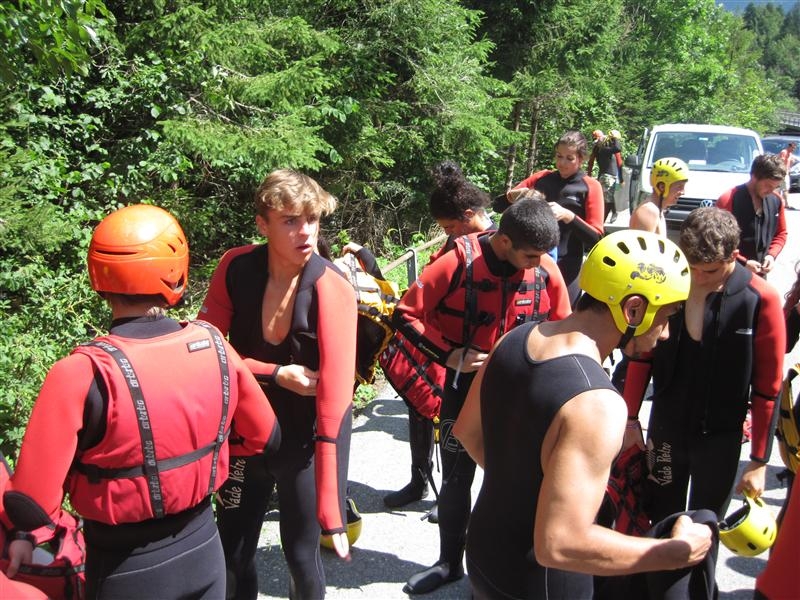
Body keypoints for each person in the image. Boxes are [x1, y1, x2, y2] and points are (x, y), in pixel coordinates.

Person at [3, 204, 280, 599]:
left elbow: (30, 505)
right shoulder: (215, 346)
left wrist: (29, 534)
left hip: (124, 569)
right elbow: (265, 437)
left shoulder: (79, 373)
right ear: (177, 272)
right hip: (204, 550)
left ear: (98, 276)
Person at [454, 229, 718, 599]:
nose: (665, 333)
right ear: (634, 309)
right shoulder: (598, 403)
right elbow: (559, 544)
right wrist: (674, 553)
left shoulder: (513, 339)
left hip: (484, 556)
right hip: (542, 583)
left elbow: (466, 432)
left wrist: (526, 487)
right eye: (667, 315)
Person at [398, 195, 571, 594]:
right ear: (505, 241)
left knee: (519, 483)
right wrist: (449, 352)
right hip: (463, 391)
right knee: (457, 480)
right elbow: (404, 314)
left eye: (542, 255)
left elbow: (566, 327)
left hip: (523, 393)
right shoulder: (457, 261)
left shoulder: (544, 268)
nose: (539, 262)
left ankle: (505, 568)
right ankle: (448, 564)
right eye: (531, 254)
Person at [198, 169, 357, 599]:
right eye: (290, 220)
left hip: (303, 442)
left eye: (312, 219)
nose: (305, 232)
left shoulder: (332, 287)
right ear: (262, 224)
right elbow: (205, 350)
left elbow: (337, 402)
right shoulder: (236, 266)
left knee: (303, 562)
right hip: (245, 437)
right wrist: (274, 374)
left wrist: (332, 511)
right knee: (231, 555)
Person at [641, 207, 785, 523]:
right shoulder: (668, 283)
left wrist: (759, 461)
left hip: (720, 437)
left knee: (705, 526)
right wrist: (627, 419)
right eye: (691, 268)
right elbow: (642, 356)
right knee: (658, 518)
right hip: (665, 429)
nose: (698, 277)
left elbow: (768, 389)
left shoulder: (760, 298)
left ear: (734, 256)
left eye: (709, 271)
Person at [381, 161, 496, 514]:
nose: (447, 233)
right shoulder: (455, 241)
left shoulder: (501, 245)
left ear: (467, 215)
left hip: (474, 354)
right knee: (420, 411)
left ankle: (453, 494)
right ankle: (419, 481)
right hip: (438, 347)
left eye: (448, 227)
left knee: (460, 427)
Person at [507, 130, 604, 306]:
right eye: (559, 156)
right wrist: (518, 195)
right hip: (532, 261)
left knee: (561, 319)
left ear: (581, 159)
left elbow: (596, 238)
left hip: (567, 265)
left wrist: (569, 216)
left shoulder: (590, 186)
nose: (562, 163)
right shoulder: (542, 178)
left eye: (569, 158)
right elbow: (502, 204)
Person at [716, 153, 787, 278]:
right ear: (754, 176)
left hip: (759, 274)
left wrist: (771, 255)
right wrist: (743, 262)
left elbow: (781, 233)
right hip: (730, 272)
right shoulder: (729, 199)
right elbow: (717, 239)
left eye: (775, 187)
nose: (771, 191)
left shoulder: (776, 200)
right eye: (768, 185)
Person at [629, 157, 689, 235]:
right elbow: (643, 246)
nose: (683, 192)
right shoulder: (649, 211)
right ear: (662, 187)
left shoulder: (656, 209)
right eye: (679, 187)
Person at [587, 129, 624, 224]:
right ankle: (608, 216)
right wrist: (589, 175)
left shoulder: (606, 147)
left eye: (598, 138)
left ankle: (610, 215)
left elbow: (619, 161)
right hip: (604, 175)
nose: (597, 140)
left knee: (607, 198)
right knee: (606, 197)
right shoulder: (599, 148)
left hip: (610, 175)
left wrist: (621, 178)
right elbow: (591, 161)